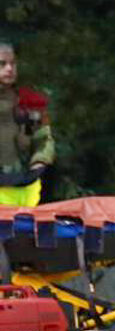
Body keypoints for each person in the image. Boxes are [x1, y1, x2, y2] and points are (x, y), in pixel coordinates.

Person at [0, 41, 55, 208]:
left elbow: (43, 138)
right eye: (2, 64)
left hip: (23, 186)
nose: (9, 69)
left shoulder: (28, 103)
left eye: (13, 64)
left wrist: (40, 161)